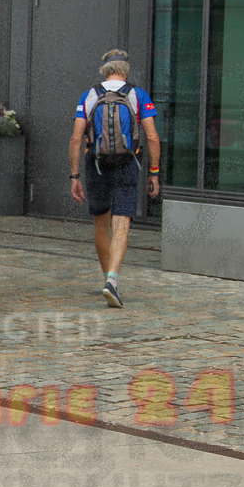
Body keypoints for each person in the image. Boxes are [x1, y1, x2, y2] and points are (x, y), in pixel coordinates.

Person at [68, 49, 160, 309]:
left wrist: (74, 175)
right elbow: (152, 136)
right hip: (127, 163)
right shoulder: (138, 95)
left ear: (104, 70)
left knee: (101, 224)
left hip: (95, 164)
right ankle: (112, 281)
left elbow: (76, 138)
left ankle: (107, 280)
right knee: (122, 224)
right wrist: (154, 172)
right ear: (126, 70)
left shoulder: (89, 96)